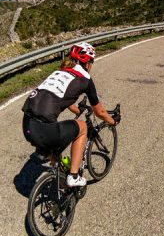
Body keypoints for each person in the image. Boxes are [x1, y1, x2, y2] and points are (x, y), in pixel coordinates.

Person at [22, 42, 120, 187]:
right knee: (82, 128)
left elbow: (61, 97)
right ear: (88, 62)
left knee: (56, 149)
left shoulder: (59, 73)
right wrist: (112, 121)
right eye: (92, 61)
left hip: (27, 127)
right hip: (44, 130)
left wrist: (76, 110)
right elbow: (100, 112)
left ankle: (61, 181)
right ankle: (73, 177)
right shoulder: (85, 79)